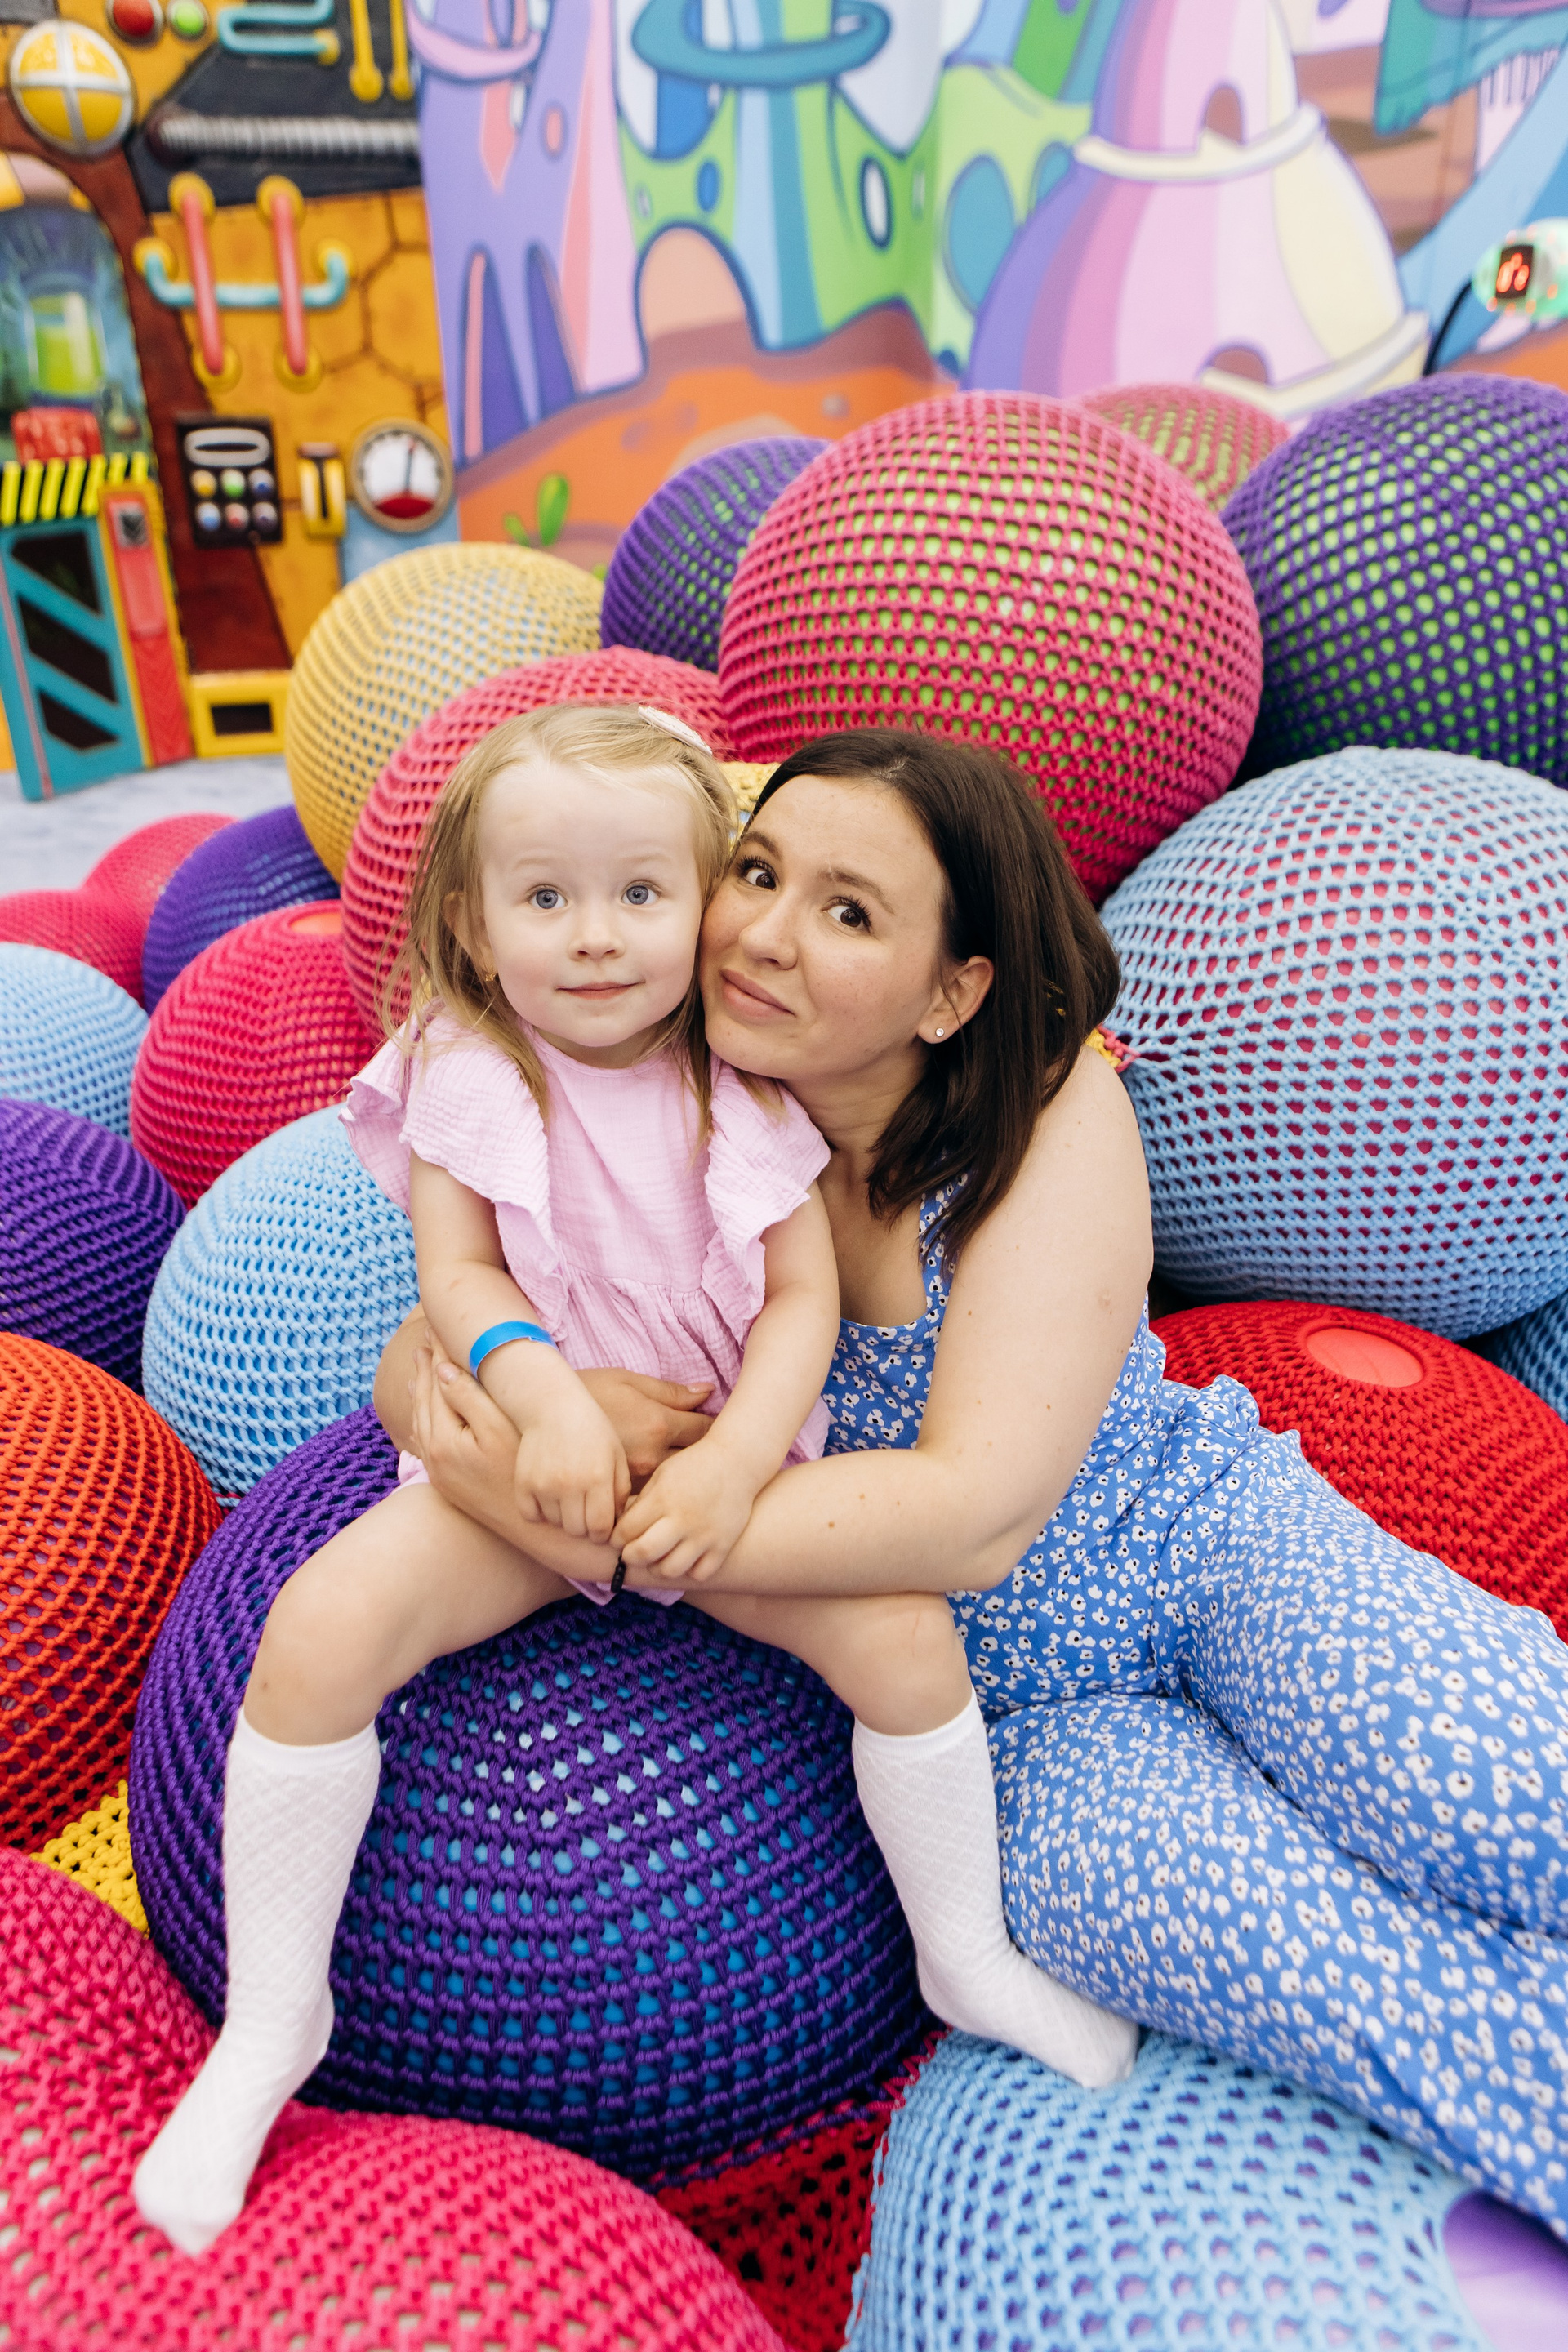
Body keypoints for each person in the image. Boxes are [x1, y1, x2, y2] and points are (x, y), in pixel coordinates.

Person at [385, 727, 1568, 2239]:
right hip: (1011, 1720)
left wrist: (586, 1518)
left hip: (1199, 1545)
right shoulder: (648, 1085)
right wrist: (489, 1408)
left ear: (953, 993)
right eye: (759, 872)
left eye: (849, 911)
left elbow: (976, 1509)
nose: (763, 933)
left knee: (1497, 1785)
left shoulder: (1044, 1109)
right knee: (1332, 1972)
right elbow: (433, 1332)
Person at [132, 706, 1132, 2258]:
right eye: (545, 899)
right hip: (533, 1463)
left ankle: (965, 1954)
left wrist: (734, 1463)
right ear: (475, 923)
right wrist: (542, 1401)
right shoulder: (469, 1071)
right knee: (320, 1629)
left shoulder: (741, 1081)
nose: (596, 938)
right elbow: (457, 1277)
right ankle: (272, 2022)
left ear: (696, 903)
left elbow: (799, 1301)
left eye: (643, 895)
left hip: (725, 1473)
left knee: (908, 1643)